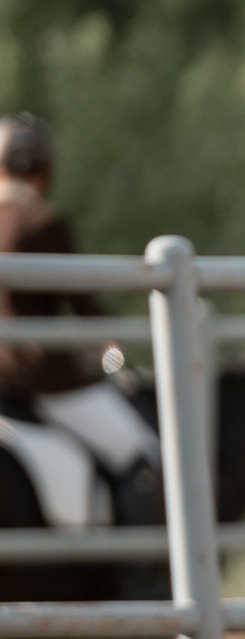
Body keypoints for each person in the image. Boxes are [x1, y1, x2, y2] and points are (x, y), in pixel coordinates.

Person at [0, 113, 159, 520]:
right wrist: (113, 352)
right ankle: (138, 572)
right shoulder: (45, 222)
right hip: (42, 378)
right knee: (143, 453)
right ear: (46, 170)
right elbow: (85, 307)